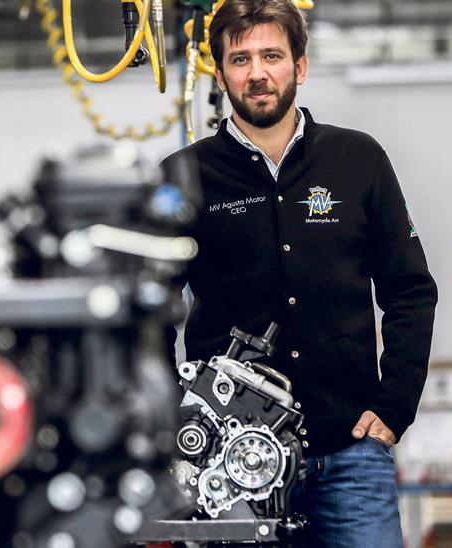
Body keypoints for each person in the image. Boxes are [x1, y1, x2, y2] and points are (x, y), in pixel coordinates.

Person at [160, 0, 438, 546]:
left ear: (300, 67)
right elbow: (148, 307)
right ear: (220, 73)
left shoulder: (358, 160)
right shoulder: (185, 176)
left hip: (350, 453)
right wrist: (170, 412)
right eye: (240, 59)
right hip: (229, 465)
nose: (257, 73)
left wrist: (395, 404)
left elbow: (410, 290)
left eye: (272, 55)